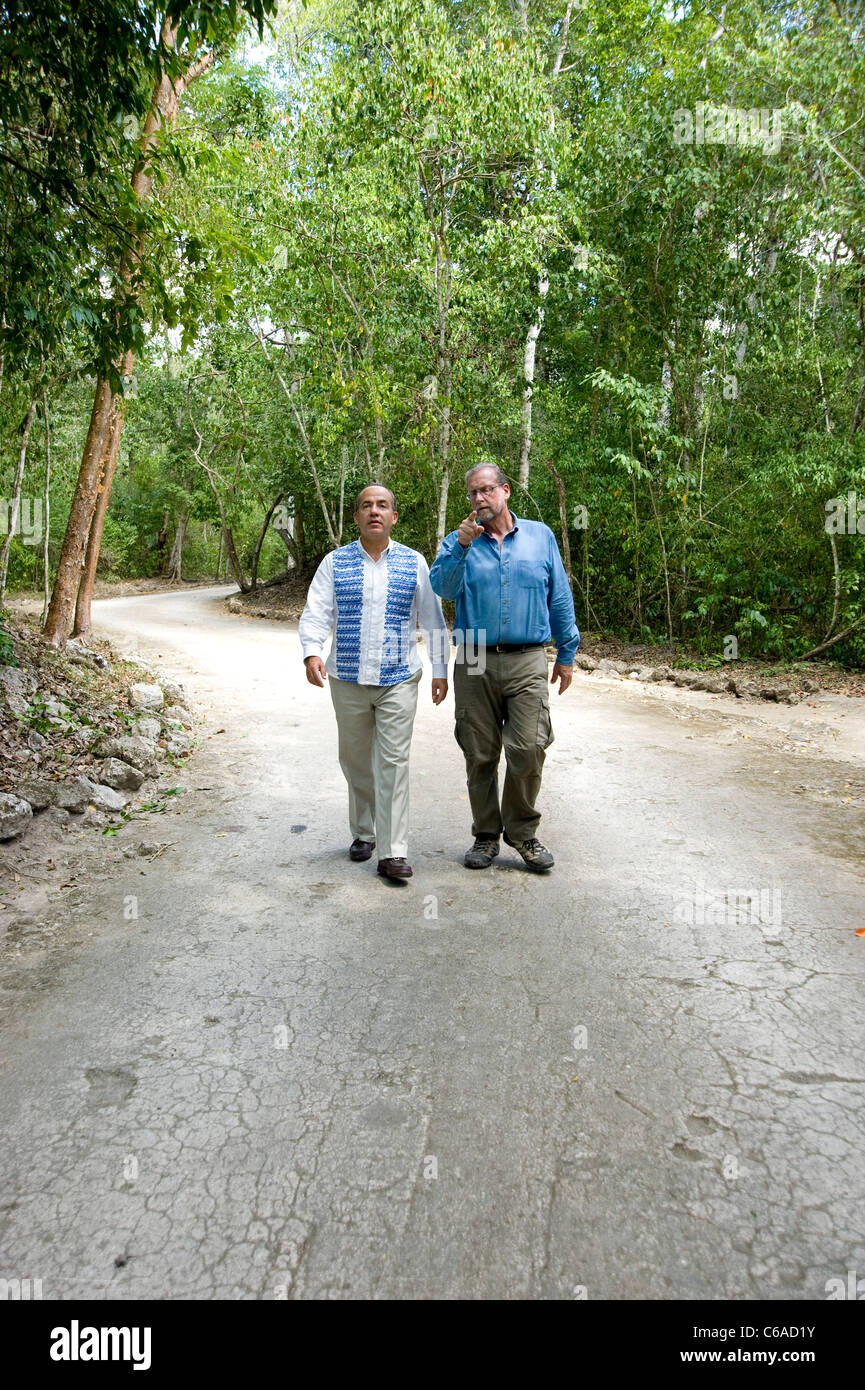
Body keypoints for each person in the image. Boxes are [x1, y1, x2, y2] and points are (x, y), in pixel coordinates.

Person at [429, 463, 579, 872]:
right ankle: (485, 834)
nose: (479, 499)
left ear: (505, 491)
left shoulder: (540, 536)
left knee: (529, 747)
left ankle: (523, 832)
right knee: (479, 752)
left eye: (486, 490)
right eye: (473, 493)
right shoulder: (458, 541)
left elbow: (559, 595)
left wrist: (567, 652)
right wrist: (460, 547)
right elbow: (441, 587)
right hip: (475, 655)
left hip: (529, 654)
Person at [299, 484, 449, 880]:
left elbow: (433, 619)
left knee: (394, 762)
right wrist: (312, 651)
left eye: (382, 505)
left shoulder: (414, 562)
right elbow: (317, 610)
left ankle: (393, 850)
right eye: (366, 506)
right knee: (355, 759)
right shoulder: (335, 562)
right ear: (356, 517)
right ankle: (363, 832)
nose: (374, 511)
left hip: (399, 677)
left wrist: (439, 669)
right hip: (346, 677)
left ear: (394, 517)